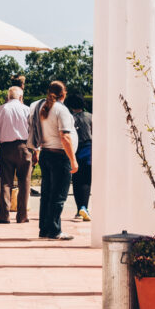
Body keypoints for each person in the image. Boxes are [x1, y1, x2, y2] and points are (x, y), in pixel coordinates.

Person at [29, 81, 78, 240]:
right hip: (59, 156)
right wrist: (73, 160)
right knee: (59, 195)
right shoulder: (60, 110)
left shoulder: (42, 108)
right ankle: (55, 230)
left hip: (46, 154)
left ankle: (44, 228)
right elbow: (65, 137)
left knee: (47, 194)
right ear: (64, 94)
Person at [0, 86, 32, 224]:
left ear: (8, 96)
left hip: (6, 148)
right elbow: (33, 130)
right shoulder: (27, 109)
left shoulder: (1, 110)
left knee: (6, 182)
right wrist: (36, 149)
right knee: (24, 182)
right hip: (24, 147)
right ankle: (22, 216)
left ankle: (4, 215)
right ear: (20, 97)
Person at [67, 93, 93, 221]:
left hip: (74, 150)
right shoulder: (90, 117)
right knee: (87, 181)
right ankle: (84, 207)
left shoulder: (70, 118)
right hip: (88, 150)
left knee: (76, 180)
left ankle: (79, 209)